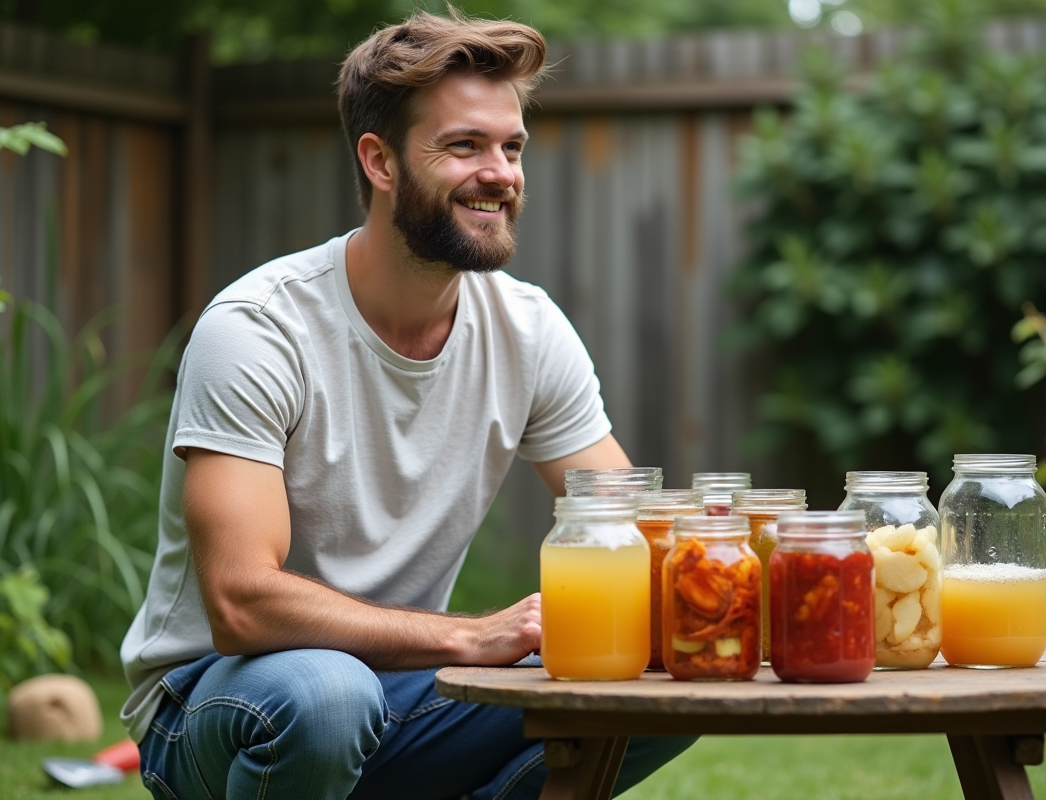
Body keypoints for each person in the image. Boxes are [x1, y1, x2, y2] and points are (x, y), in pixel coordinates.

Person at [119, 9, 694, 800]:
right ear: (380, 162)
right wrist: (471, 636)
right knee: (326, 696)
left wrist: (763, 572)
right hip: (218, 703)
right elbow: (241, 604)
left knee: (679, 670)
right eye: (465, 146)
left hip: (404, 694)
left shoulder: (526, 329)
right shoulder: (258, 329)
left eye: (512, 147)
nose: (501, 173)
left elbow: (630, 527)